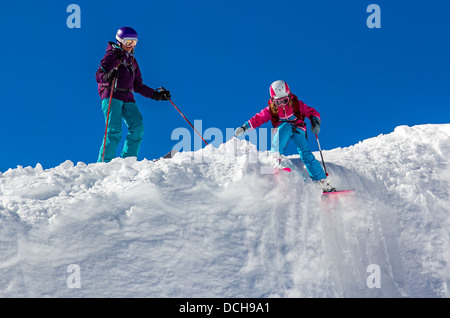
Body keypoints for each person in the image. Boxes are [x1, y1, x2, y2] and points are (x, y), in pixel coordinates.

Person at [235, 80, 335, 192]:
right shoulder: (271, 110)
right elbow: (258, 118)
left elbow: (312, 112)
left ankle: (321, 181)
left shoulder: (297, 105)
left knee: (305, 153)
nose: (282, 104)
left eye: (285, 100)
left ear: (289, 96)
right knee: (285, 126)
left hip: (298, 128)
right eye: (278, 102)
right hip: (283, 130)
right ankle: (275, 156)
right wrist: (244, 127)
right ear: (273, 100)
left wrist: (315, 121)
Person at [95, 26, 171, 163]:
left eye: (134, 43)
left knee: (138, 127)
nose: (131, 46)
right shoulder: (112, 55)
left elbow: (138, 85)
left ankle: (128, 161)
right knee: (114, 130)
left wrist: (156, 95)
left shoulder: (132, 62)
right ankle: (104, 164)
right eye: (128, 42)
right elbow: (98, 75)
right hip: (112, 95)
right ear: (120, 41)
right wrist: (108, 76)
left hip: (128, 98)